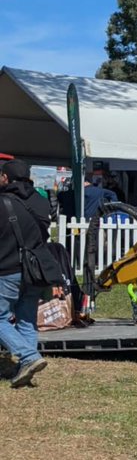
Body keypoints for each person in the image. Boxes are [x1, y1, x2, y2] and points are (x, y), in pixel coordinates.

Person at [0, 160, 54, 388]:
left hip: (8, 267)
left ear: (6, 178)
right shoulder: (40, 201)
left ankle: (28, 357)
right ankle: (27, 367)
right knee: (26, 319)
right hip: (35, 269)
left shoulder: (4, 202)